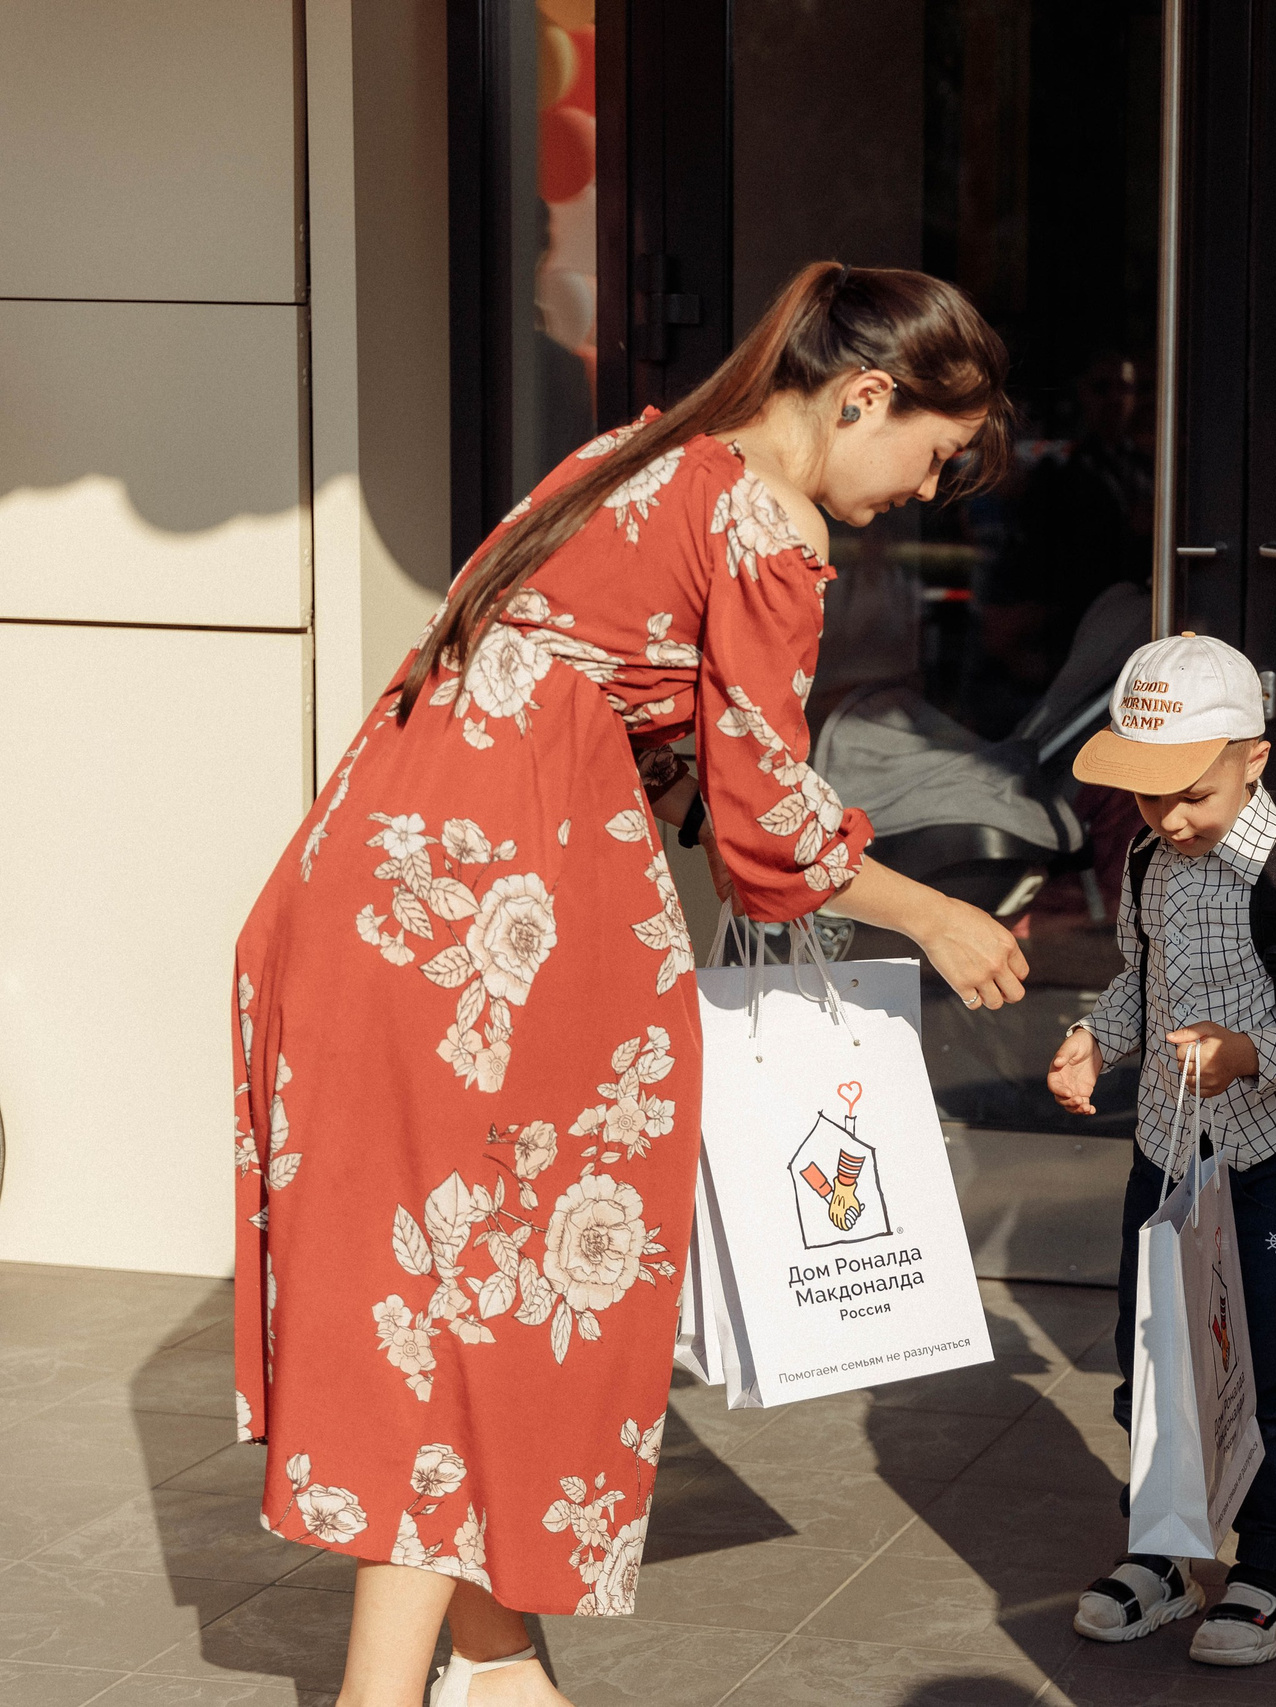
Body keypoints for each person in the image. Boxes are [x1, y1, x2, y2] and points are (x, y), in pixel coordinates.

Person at [230, 262, 1032, 1707]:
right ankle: (381, 1695)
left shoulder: (642, 452)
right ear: (864, 397)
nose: (929, 489)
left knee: (440, 1278)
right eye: (933, 452)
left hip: (371, 874)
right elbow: (774, 820)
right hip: (501, 916)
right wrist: (939, 916)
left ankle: (497, 1661)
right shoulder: (761, 518)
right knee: (484, 1291)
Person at [1045, 632, 1276, 1666]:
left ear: (1252, 760)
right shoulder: (1148, 861)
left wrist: (1250, 1055)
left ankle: (1267, 1568)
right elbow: (1139, 980)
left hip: (1264, 1162)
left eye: (1190, 795)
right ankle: (1167, 1550)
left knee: (1268, 1364)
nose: (1170, 820)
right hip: (1165, 1153)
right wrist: (1097, 1037)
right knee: (1153, 1356)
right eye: (1146, 799)